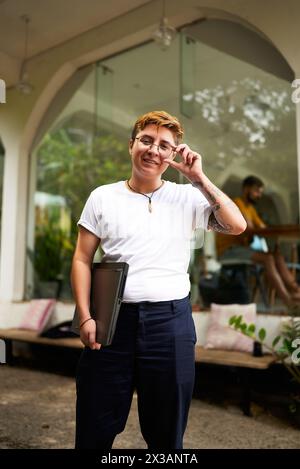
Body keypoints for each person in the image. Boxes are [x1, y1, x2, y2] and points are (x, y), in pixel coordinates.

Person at [71, 110, 246, 450]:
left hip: (171, 325)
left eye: (164, 145)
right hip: (112, 324)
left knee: (167, 435)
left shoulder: (189, 197)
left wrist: (199, 178)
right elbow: (81, 258)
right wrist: (85, 316)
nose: (153, 150)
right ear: (131, 145)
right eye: (146, 140)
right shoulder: (102, 196)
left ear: (174, 154)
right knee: (95, 426)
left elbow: (237, 225)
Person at [216, 175, 300, 306]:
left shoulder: (250, 209)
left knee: (276, 256)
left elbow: (262, 228)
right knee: (268, 259)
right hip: (228, 250)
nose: (259, 195)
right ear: (246, 189)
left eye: (260, 192)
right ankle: (287, 299)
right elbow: (249, 230)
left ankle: (296, 291)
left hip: (242, 248)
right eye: (256, 191)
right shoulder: (237, 204)